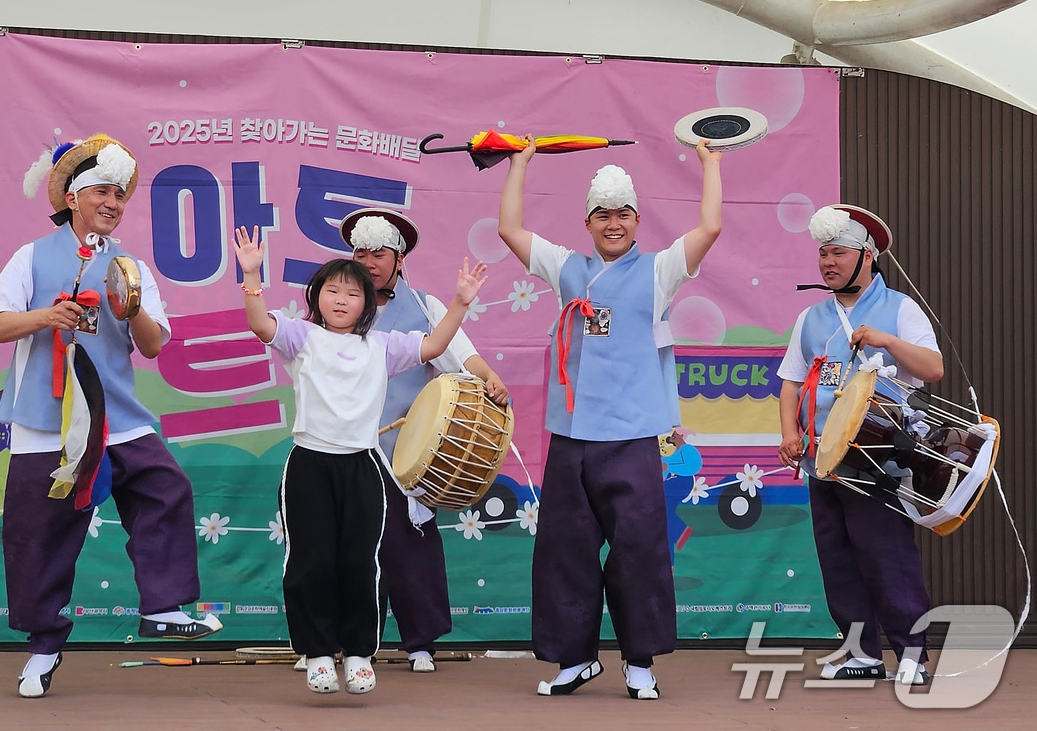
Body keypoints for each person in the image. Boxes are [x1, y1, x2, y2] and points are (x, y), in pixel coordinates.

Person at [0, 134, 220, 699]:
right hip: (48, 420)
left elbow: (155, 344)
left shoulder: (129, 267)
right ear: (72, 198)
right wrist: (47, 315)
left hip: (117, 416)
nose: (114, 203)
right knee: (37, 539)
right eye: (103, 193)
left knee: (166, 488)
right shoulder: (33, 256)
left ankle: (162, 607)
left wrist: (132, 307)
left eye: (120, 195)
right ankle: (43, 648)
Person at [498, 139, 723, 699]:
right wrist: (520, 165)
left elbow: (709, 230)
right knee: (564, 551)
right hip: (572, 436)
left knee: (639, 551)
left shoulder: (659, 271)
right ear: (588, 221)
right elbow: (509, 230)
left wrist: (710, 165)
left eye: (623, 214)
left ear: (637, 220)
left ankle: (639, 662)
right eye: (603, 214)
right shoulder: (567, 268)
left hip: (632, 438)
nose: (614, 223)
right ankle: (574, 659)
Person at [232, 225, 485, 696]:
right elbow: (260, 324)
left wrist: (461, 303)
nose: (343, 299)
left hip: (363, 467)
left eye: (353, 293)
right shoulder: (301, 338)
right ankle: (318, 654)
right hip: (309, 464)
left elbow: (433, 347)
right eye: (333, 290)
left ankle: (359, 654)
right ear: (318, 297)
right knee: (310, 563)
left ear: (368, 304)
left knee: (360, 563)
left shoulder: (382, 348)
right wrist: (251, 276)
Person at [776, 205, 942, 686]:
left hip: (880, 456)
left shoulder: (900, 308)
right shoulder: (811, 318)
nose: (828, 263)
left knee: (886, 554)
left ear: (867, 256)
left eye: (839, 253)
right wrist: (789, 433)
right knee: (838, 555)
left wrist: (887, 340)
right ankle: (860, 652)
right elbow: (790, 382)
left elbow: (933, 370)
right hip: (823, 459)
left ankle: (912, 652)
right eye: (822, 254)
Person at [338, 207, 508, 673]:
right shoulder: (338, 307)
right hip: (349, 448)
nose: (369, 261)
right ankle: (347, 643)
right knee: (349, 548)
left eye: (379, 253)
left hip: (408, 453)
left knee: (408, 547)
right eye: (361, 252)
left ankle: (420, 643)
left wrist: (490, 377)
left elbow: (462, 353)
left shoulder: (426, 306)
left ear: (398, 259)